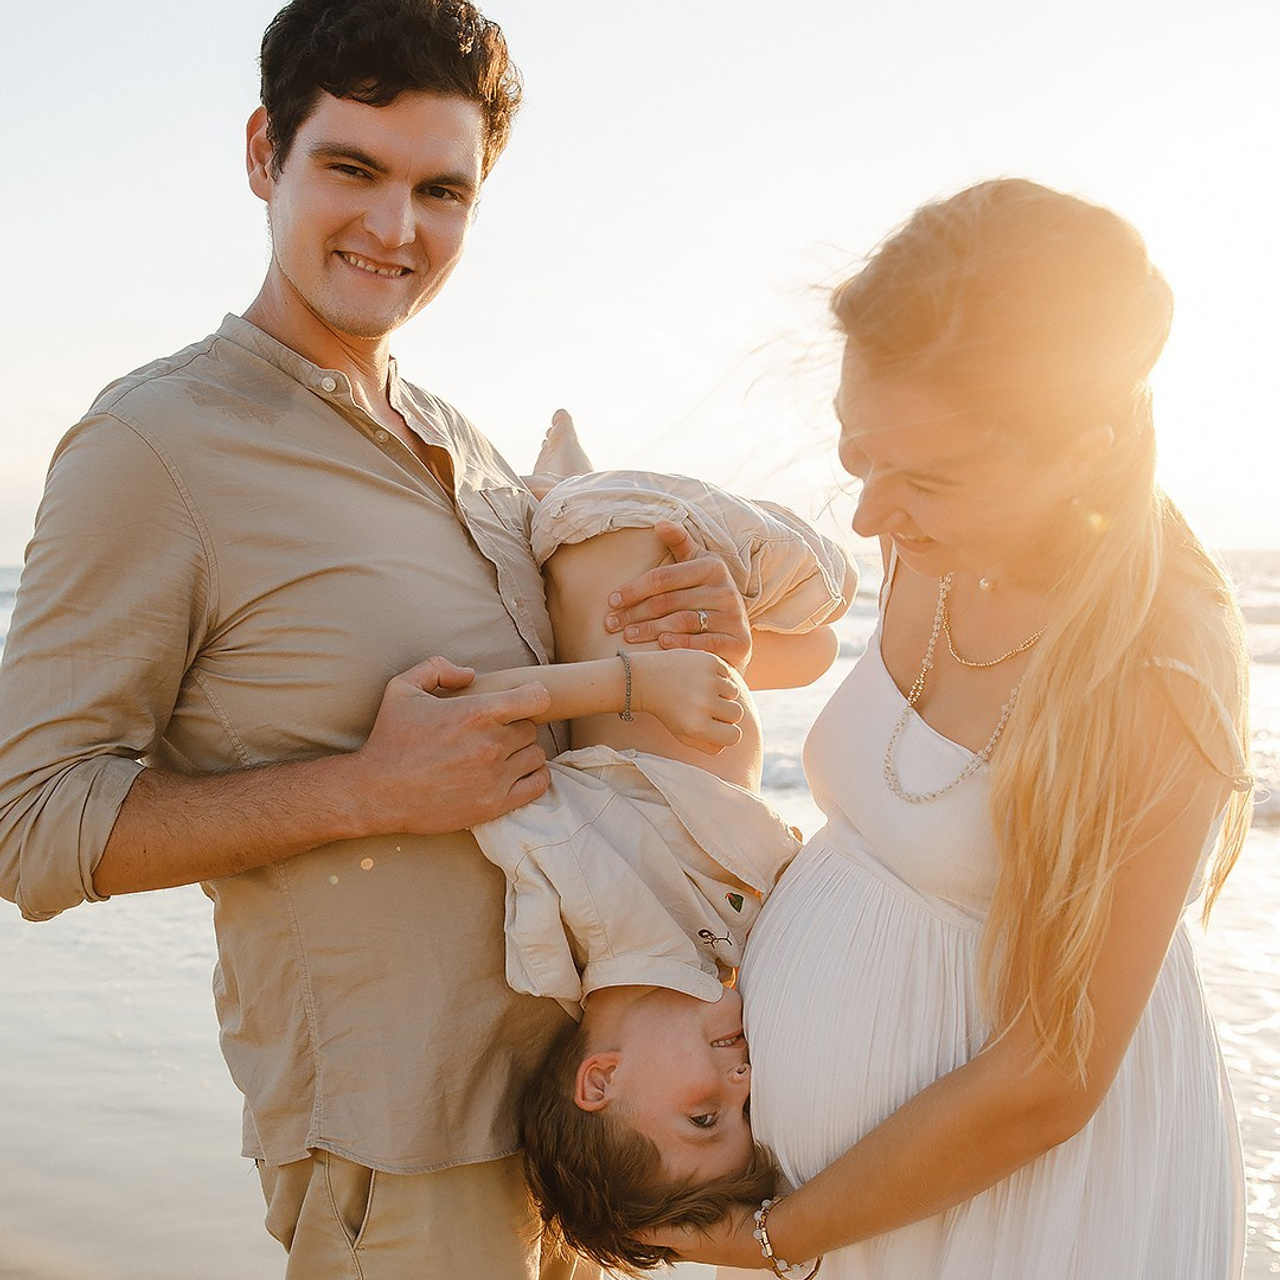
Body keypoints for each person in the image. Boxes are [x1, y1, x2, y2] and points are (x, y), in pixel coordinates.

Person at [0, 3, 753, 1277]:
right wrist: (366, 788)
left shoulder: (465, 442)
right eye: (351, 169)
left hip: (583, 1130)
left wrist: (698, 637)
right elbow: (28, 824)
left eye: (439, 189)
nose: (395, 228)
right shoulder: (153, 448)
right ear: (263, 155)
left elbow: (570, 745)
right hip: (398, 1155)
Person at [640, 179, 1255, 1280]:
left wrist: (779, 1234)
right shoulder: (928, 535)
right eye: (856, 454)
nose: (871, 513)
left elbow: (1052, 1073)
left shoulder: (1157, 660)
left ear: (1081, 449)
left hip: (1021, 1217)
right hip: (840, 1208)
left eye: (924, 475)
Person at [441, 434, 856, 1268]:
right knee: (811, 651)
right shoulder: (726, 960)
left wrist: (636, 685)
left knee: (833, 585)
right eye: (744, 1117)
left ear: (599, 1081)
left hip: (633, 531)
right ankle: (556, 471)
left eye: (705, 1115)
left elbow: (463, 715)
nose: (742, 1088)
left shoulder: (571, 896)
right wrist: (719, 663)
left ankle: (556, 488)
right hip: (664, 591)